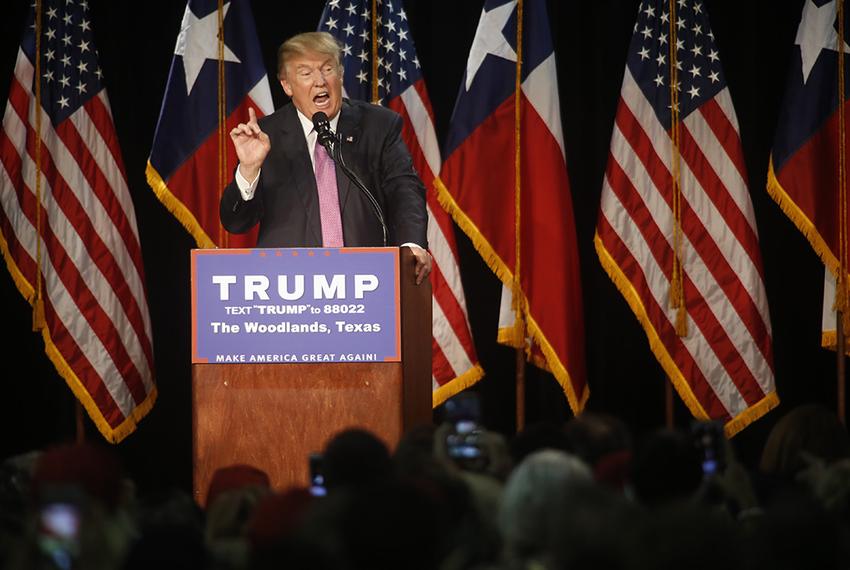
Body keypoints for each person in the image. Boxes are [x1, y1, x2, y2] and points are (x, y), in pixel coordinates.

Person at [220, 31, 431, 284]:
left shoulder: (378, 125)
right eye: (306, 73)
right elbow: (236, 222)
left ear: (340, 74)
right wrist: (249, 169)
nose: (320, 81)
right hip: (289, 286)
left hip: (368, 281)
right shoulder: (265, 136)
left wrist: (411, 244)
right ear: (287, 85)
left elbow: (404, 188)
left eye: (327, 69)